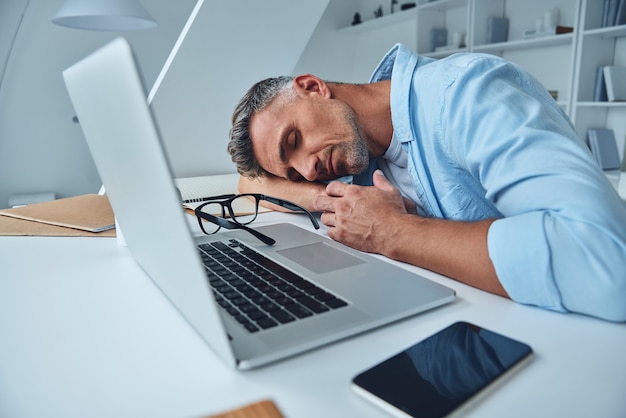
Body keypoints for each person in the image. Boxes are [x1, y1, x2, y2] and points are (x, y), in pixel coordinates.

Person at [227, 43, 626, 322]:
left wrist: (391, 231)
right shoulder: (354, 156)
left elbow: (606, 261)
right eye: (294, 172)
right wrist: (323, 198)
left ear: (313, 88)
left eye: (294, 141)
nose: (307, 170)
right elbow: (250, 184)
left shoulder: (466, 93)